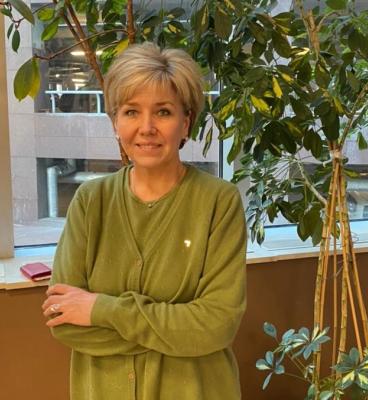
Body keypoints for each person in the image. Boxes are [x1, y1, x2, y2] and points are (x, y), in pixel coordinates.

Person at [42, 42, 247, 400]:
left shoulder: (219, 202)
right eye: (131, 112)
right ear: (115, 123)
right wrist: (176, 330)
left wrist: (99, 309)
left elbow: (216, 326)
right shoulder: (90, 202)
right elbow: (64, 322)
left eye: (163, 112)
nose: (147, 127)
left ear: (186, 123)